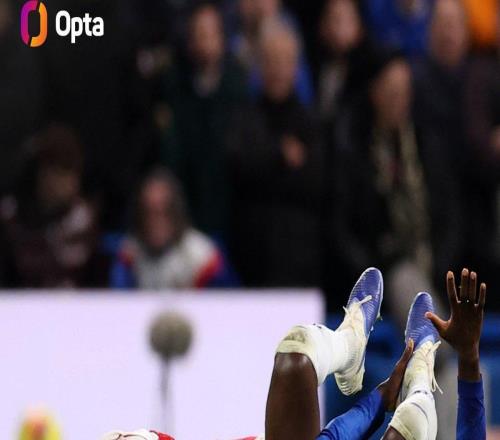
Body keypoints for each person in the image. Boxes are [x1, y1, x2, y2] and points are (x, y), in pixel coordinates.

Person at [228, 19, 324, 287]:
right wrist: (279, 157)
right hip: (250, 259)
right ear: (259, 66)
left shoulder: (311, 121)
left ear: (295, 67)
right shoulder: (244, 118)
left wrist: (265, 166)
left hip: (301, 260)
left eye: (285, 61)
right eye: (271, 61)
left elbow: (315, 182)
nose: (278, 70)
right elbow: (238, 171)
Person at [158, 2, 247, 239]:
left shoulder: (238, 85)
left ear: (222, 37)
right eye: (198, 34)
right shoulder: (175, 85)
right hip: (187, 208)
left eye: (210, 34)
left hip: (231, 209)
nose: (204, 42)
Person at [0, 124, 100, 288]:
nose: (68, 182)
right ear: (40, 173)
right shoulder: (11, 216)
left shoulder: (84, 219)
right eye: (58, 171)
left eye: (72, 172)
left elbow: (96, 284)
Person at [111, 169, 234, 289]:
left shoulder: (203, 257)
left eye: (165, 211)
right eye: (148, 212)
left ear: (177, 213)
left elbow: (227, 299)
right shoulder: (130, 252)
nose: (156, 222)